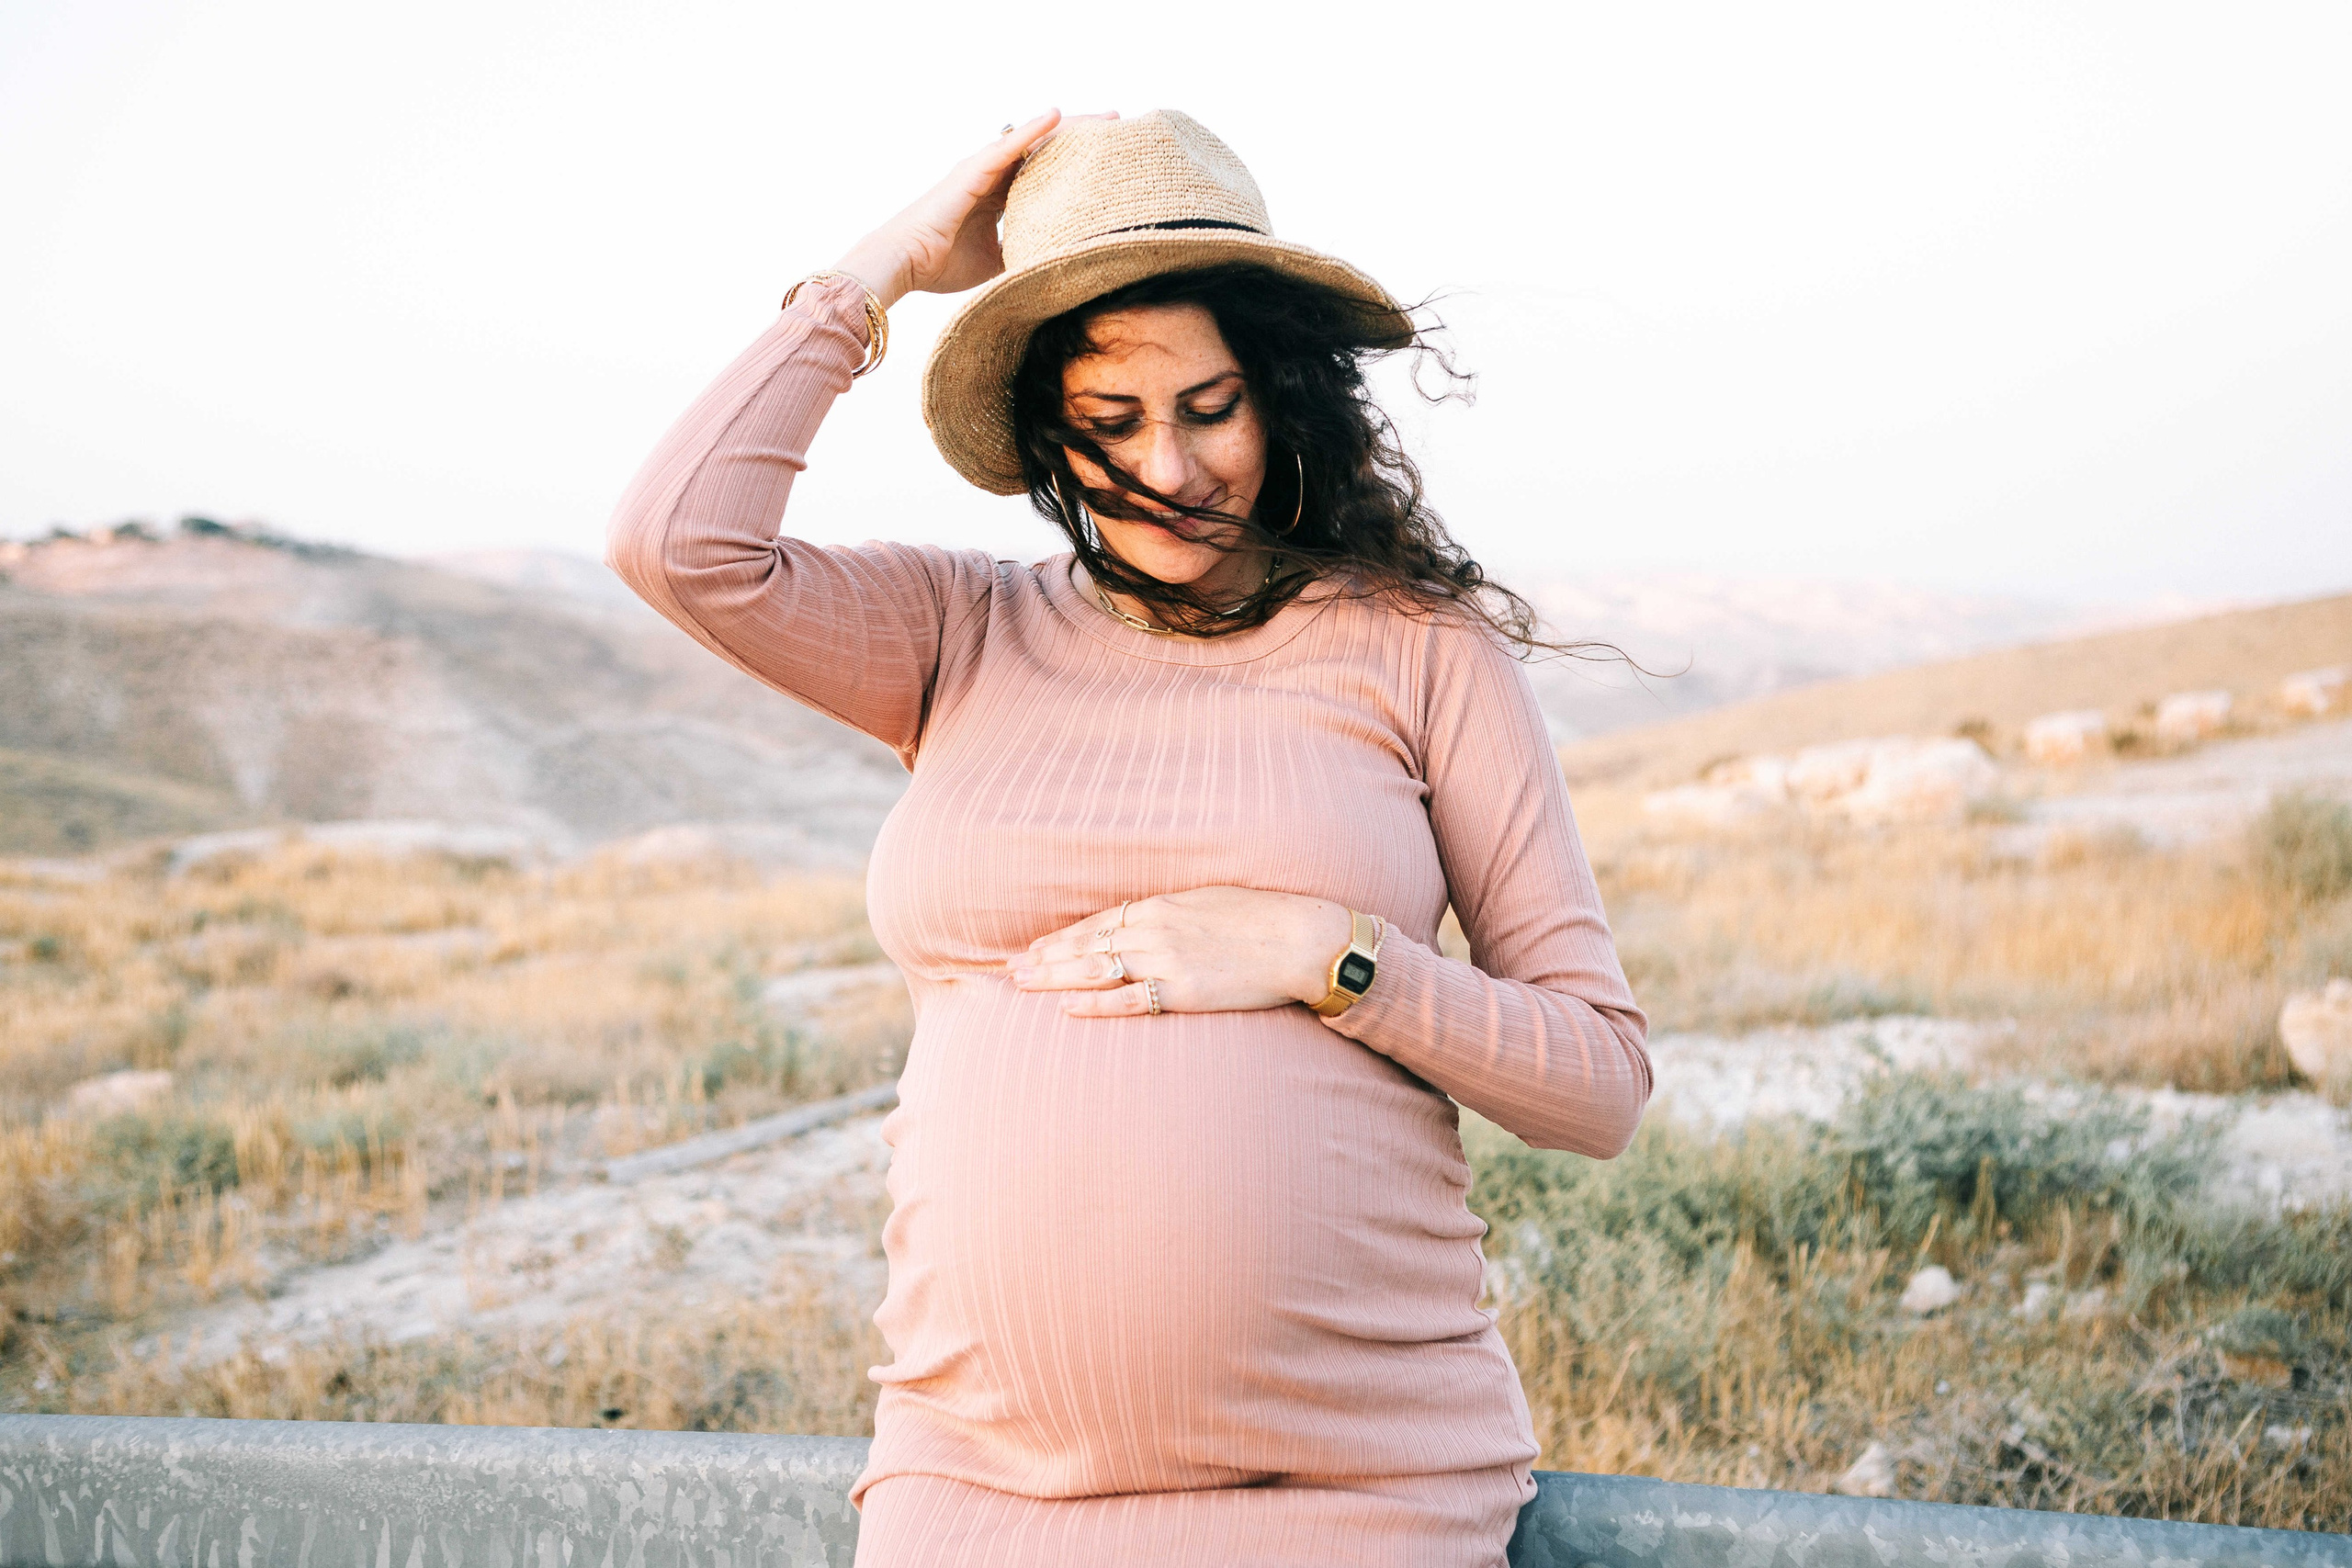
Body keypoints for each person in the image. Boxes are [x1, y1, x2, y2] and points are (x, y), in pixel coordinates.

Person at [607, 107, 1651, 1568]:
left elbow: (1599, 1086)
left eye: (1209, 405)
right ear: (1045, 434)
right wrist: (877, 274)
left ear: (1284, 398)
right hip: (974, 1488)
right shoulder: (956, 631)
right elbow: (678, 545)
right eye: (1109, 423)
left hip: (1349, 1497)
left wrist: (1327, 956)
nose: (1171, 466)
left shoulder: (1419, 654)